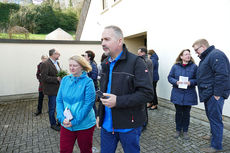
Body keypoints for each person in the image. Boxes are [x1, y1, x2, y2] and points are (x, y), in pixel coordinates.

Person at [97, 25, 153, 153]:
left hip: (129, 126)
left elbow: (147, 94)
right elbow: (103, 92)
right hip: (107, 125)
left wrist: (118, 101)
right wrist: (100, 114)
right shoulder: (105, 63)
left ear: (119, 41)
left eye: (107, 39)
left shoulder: (136, 62)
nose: (103, 43)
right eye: (101, 40)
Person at [192, 39, 230, 153]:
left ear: (203, 47)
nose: (196, 53)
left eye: (196, 50)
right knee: (212, 118)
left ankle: (216, 146)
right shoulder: (207, 57)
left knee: (215, 120)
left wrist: (217, 94)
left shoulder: (216, 54)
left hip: (214, 95)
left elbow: (222, 74)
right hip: (209, 93)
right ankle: (214, 136)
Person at [56, 55, 96, 153]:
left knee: (85, 150)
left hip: (84, 124)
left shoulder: (88, 82)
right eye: (70, 65)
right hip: (66, 123)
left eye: (75, 66)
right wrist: (61, 117)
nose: (71, 68)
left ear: (82, 66)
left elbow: (88, 105)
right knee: (64, 150)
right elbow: (59, 100)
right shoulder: (65, 79)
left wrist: (75, 121)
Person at [168, 49, 198, 140]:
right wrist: (176, 82)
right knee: (178, 113)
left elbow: (198, 79)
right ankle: (178, 129)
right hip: (177, 93)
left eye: (189, 54)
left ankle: (185, 131)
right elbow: (169, 77)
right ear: (181, 56)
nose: (188, 56)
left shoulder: (194, 67)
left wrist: (191, 82)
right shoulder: (175, 67)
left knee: (186, 114)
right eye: (186, 54)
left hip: (189, 94)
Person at [41, 48, 61, 131]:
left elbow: (59, 73)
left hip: (59, 89)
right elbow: (44, 77)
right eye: (57, 53)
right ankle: (53, 124)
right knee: (52, 108)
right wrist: (56, 79)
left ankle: (59, 121)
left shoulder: (57, 63)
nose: (59, 55)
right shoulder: (46, 64)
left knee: (59, 106)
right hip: (51, 90)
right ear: (53, 54)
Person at [137, 47, 153, 132]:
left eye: (138, 52)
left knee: (143, 107)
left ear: (142, 52)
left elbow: (145, 75)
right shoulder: (145, 60)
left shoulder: (146, 61)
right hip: (144, 85)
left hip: (144, 86)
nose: (137, 54)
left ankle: (144, 124)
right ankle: (143, 123)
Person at [84, 50, 98, 116]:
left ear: (89, 57)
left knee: (92, 104)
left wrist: (86, 77)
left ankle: (96, 118)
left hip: (92, 87)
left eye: (85, 55)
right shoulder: (86, 64)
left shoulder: (93, 65)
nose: (84, 57)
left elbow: (94, 77)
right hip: (87, 87)